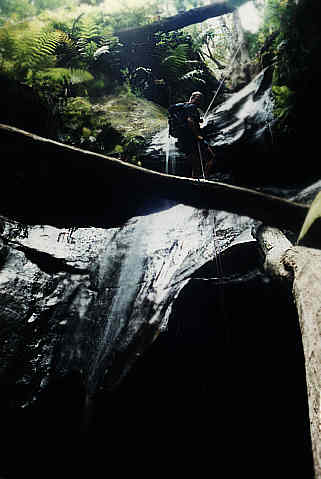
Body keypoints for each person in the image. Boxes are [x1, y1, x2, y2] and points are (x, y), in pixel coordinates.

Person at [169, 91, 216, 178]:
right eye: (199, 99)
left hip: (183, 139)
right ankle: (204, 179)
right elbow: (190, 120)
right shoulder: (192, 107)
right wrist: (198, 135)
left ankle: (196, 182)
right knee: (210, 157)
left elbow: (189, 119)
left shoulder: (183, 106)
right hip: (193, 139)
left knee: (196, 165)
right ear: (193, 98)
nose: (200, 101)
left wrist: (198, 120)